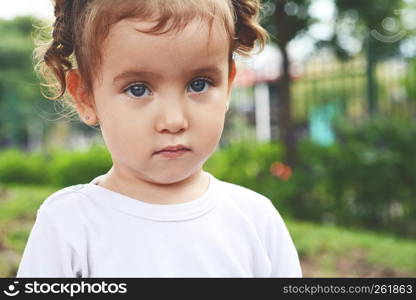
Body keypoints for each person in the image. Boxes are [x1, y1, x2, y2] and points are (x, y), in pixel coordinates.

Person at [17, 0, 302, 278]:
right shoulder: (70, 226)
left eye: (199, 84)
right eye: (138, 89)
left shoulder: (256, 221)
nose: (174, 120)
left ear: (228, 84)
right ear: (85, 96)